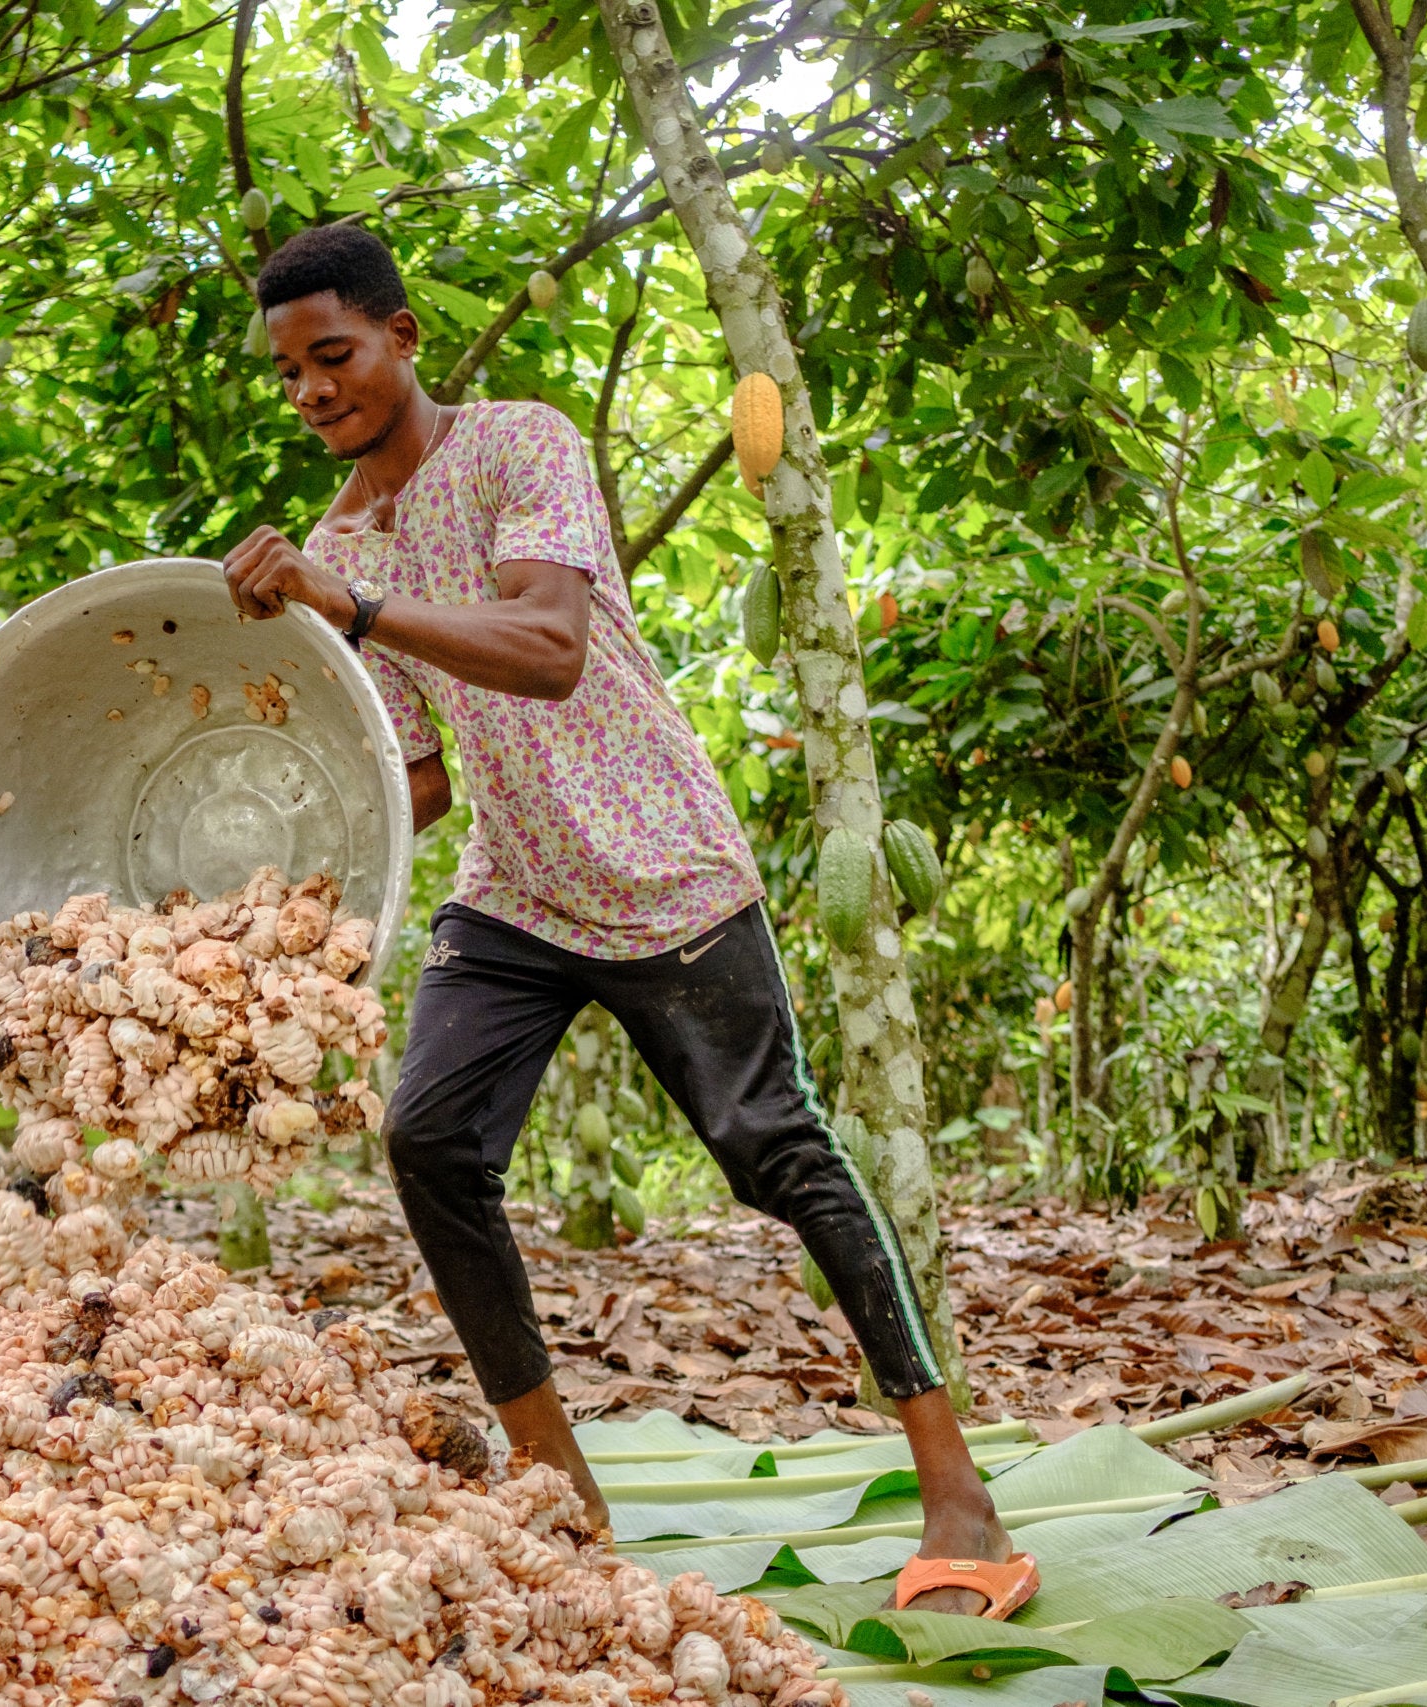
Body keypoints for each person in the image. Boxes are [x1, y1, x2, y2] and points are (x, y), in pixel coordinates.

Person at [220, 224, 1031, 1620]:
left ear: (402, 337)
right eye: (288, 374)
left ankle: (955, 1484)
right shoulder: (347, 541)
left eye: (332, 357)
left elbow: (548, 651)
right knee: (427, 1139)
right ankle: (556, 1486)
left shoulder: (521, 445)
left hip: (664, 872)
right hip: (517, 890)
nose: (310, 393)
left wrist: (351, 604)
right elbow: (411, 780)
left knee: (775, 1154)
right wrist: (269, 840)